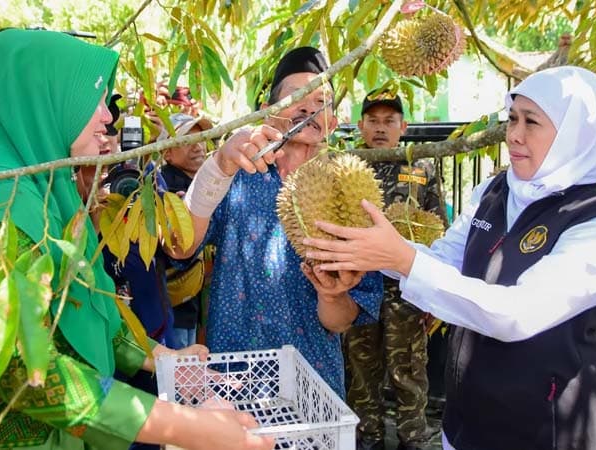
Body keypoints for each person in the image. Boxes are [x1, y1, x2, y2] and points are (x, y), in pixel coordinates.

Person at [0, 29, 273, 450]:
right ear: (36, 103)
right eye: (92, 100)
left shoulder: (46, 194)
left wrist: (158, 357)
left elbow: (85, 305)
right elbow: (25, 371)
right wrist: (189, 428)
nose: (107, 117)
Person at [302, 66, 596, 450]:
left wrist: (401, 259)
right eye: (512, 118)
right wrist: (367, 251)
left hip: (546, 431)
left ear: (574, 136)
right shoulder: (494, 192)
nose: (513, 134)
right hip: (466, 421)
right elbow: (444, 260)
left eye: (531, 122)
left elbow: (518, 313)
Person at [169, 47, 383, 397]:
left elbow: (341, 320)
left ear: (334, 119)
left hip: (314, 382)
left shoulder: (351, 190)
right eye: (297, 96)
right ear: (269, 112)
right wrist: (217, 167)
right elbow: (182, 246)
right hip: (234, 378)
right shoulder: (238, 174)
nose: (308, 108)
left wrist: (332, 294)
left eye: (321, 101)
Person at [346, 88, 443, 450]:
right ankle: (366, 438)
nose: (381, 128)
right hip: (359, 285)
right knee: (360, 370)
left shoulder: (421, 167)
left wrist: (433, 293)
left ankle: (412, 439)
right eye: (373, 120)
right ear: (361, 125)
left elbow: (438, 228)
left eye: (389, 121)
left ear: (403, 126)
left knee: (409, 372)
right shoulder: (349, 166)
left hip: (407, 288)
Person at [160, 113, 214, 348]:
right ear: (167, 153)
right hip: (173, 309)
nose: (197, 147)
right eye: (186, 142)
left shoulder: (202, 184)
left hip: (191, 308)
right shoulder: (166, 188)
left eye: (200, 138)